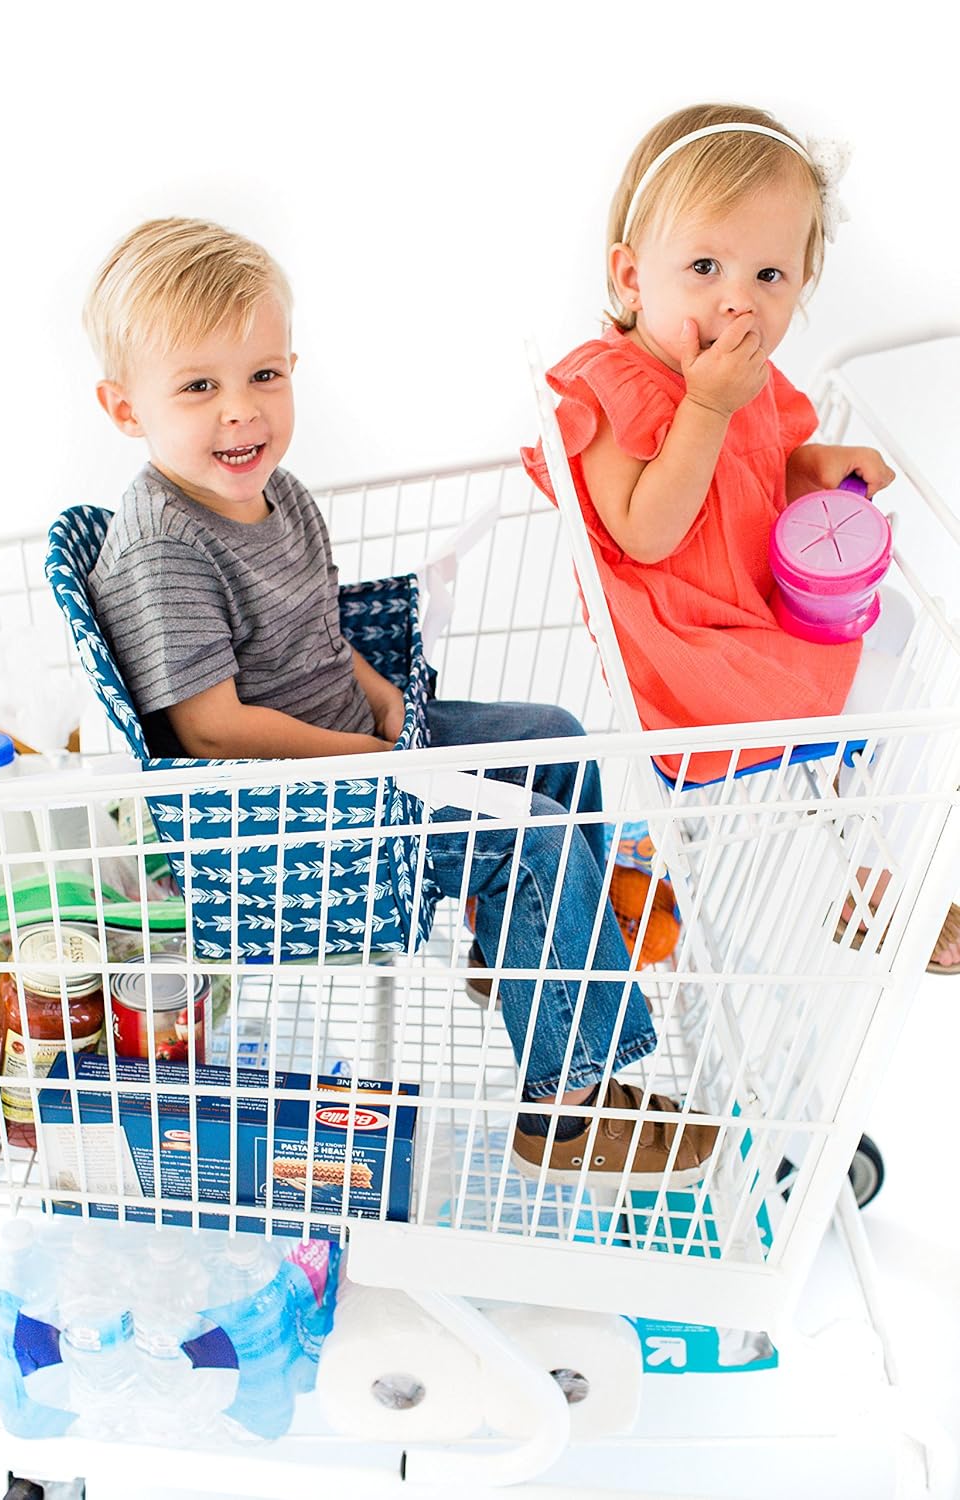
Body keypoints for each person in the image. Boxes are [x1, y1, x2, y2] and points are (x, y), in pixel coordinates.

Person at [81, 216, 719, 1188]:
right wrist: (374, 761)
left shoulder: (276, 497)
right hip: (295, 820)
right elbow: (208, 725)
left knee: (555, 741)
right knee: (530, 834)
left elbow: (319, 635)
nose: (240, 412)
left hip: (363, 755)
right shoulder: (167, 544)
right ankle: (568, 1106)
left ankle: (518, 962)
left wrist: (383, 704)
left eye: (262, 376)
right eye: (198, 387)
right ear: (127, 409)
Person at [522, 102, 959, 974]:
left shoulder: (742, 375)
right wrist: (707, 406)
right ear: (631, 275)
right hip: (694, 656)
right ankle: (891, 887)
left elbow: (763, 471)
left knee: (901, 637)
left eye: (770, 275)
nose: (738, 299)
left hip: (753, 607)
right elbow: (648, 533)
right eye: (705, 266)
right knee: (903, 694)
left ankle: (873, 872)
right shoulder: (609, 387)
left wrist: (819, 466)